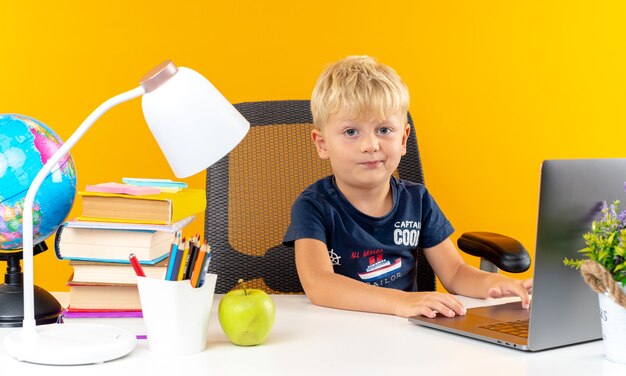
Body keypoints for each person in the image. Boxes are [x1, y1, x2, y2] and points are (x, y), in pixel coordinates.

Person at [283, 55, 532, 318]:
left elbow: (456, 273)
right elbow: (319, 285)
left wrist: (500, 285)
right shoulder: (313, 206)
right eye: (351, 132)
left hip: (407, 334)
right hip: (342, 333)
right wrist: (400, 302)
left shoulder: (418, 200)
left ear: (403, 139)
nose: (370, 145)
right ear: (322, 144)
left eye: (383, 130)